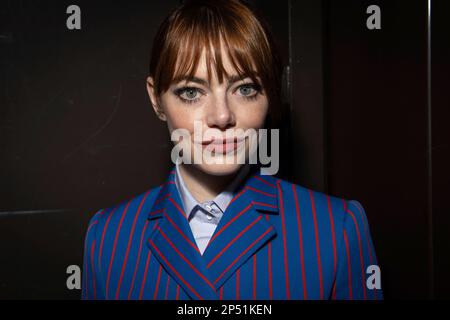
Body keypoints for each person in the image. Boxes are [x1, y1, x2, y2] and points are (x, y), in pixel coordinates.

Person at [81, 0, 382, 300]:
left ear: (271, 94)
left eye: (245, 89)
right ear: (156, 99)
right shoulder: (108, 238)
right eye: (191, 92)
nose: (222, 116)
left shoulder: (336, 230)